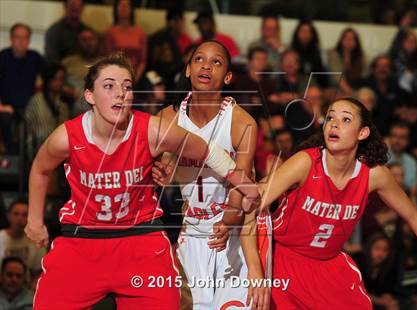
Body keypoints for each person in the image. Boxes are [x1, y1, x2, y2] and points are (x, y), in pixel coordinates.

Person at [24, 53, 260, 309]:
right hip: (83, 240)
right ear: (89, 96)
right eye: (109, 86)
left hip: (140, 240)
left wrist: (244, 184)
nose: (120, 93)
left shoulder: (152, 129)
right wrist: (34, 220)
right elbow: (39, 168)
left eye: (127, 87)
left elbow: (207, 150)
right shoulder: (67, 136)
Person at [246, 97, 417, 309]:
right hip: (284, 259)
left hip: (329, 263)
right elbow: (250, 205)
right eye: (330, 118)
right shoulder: (306, 162)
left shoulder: (374, 175)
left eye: (346, 119)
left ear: (362, 133)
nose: (335, 124)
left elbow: (414, 216)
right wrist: (255, 271)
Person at [152, 40, 269, 309]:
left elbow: (243, 184)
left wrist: (228, 220)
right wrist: (162, 170)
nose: (206, 65)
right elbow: (154, 165)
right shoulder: (167, 117)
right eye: (199, 59)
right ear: (188, 70)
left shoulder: (242, 122)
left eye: (216, 62)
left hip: (235, 230)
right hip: (191, 230)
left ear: (227, 77)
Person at [0, 23, 45, 154]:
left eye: (24, 38)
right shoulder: (3, 56)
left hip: (30, 107)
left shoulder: (34, 57)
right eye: (17, 37)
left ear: (29, 40)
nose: (21, 41)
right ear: (11, 39)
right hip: (6, 107)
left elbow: (49, 77)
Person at [104, 0, 147, 82]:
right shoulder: (110, 32)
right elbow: (108, 58)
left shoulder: (140, 33)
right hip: (115, 75)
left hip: (136, 76)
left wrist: (135, 78)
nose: (124, 7)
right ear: (116, 9)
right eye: (121, 4)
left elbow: (143, 61)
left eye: (127, 5)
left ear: (131, 9)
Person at [0, 200, 46, 277]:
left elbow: (41, 271)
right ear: (8, 216)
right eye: (16, 214)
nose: (20, 218)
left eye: (24, 215)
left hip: (27, 286)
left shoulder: (36, 241)